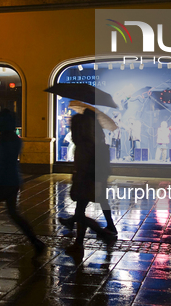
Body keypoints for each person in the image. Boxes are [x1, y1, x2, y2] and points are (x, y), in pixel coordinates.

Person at [0, 109, 45, 262]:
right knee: (13, 213)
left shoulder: (2, 140)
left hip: (0, 182)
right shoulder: (16, 139)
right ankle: (35, 241)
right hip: (13, 180)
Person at [65, 108, 117, 254]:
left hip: (87, 180)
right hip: (92, 179)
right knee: (82, 209)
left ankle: (101, 234)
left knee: (81, 211)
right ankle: (80, 242)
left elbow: (85, 165)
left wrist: (80, 177)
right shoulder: (94, 138)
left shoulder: (86, 144)